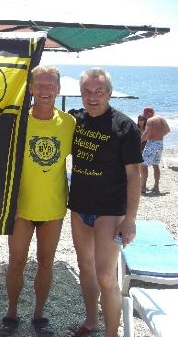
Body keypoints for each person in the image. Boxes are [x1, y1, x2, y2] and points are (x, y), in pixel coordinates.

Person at [0, 65, 76, 336]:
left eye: (50, 84)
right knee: (16, 262)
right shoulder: (17, 120)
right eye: (39, 85)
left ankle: (40, 315)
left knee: (46, 262)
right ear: (30, 88)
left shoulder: (69, 123)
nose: (44, 90)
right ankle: (11, 312)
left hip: (53, 208)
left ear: (59, 88)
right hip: (20, 208)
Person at [67, 68, 142, 337]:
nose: (92, 97)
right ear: (81, 93)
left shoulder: (124, 126)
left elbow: (135, 175)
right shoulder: (75, 121)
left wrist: (130, 219)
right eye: (87, 91)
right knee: (85, 267)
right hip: (79, 206)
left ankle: (112, 332)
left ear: (109, 93)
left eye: (99, 91)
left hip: (110, 209)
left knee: (106, 276)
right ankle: (91, 321)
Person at [140, 107, 170, 194]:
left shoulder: (150, 120)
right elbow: (168, 130)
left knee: (143, 164)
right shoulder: (162, 119)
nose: (144, 116)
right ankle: (156, 187)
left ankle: (143, 187)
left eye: (145, 114)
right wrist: (159, 135)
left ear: (149, 113)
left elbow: (146, 133)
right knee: (155, 165)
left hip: (152, 143)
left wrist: (140, 142)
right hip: (160, 143)